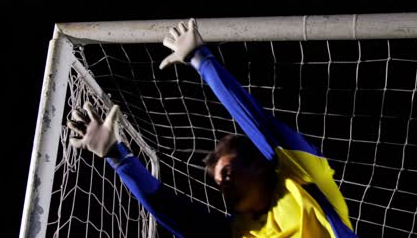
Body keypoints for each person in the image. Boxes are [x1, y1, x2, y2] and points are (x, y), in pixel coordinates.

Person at [67, 18, 357, 237]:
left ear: (259, 164)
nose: (223, 184)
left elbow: (260, 124)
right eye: (219, 181)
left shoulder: (302, 177)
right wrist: (116, 155)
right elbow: (176, 213)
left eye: (228, 172)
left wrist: (200, 59)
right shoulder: (240, 232)